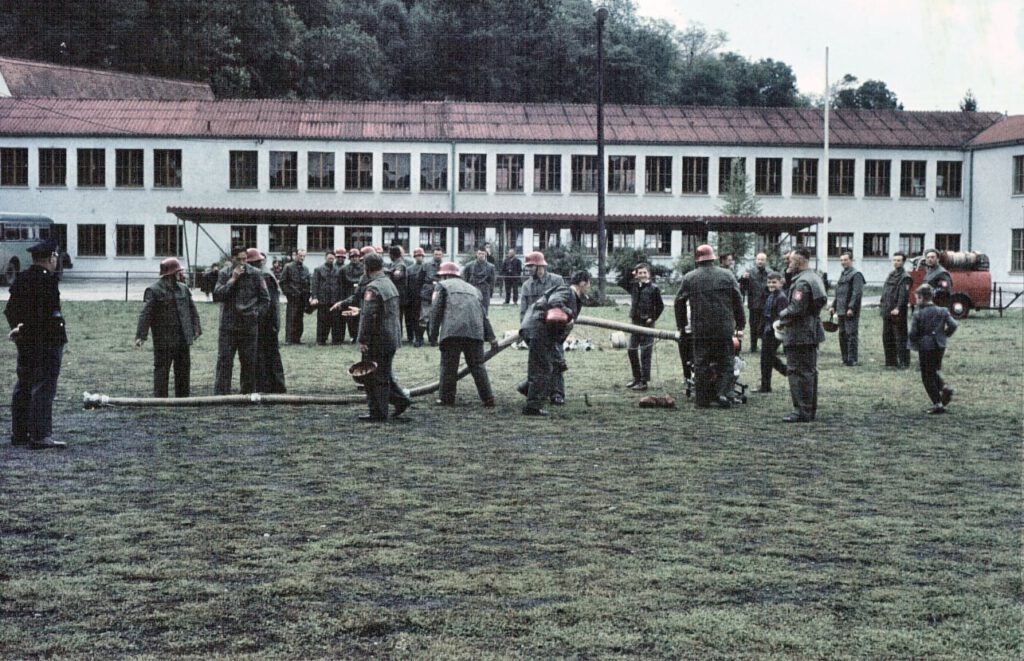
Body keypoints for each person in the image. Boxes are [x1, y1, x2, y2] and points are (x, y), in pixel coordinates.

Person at [5, 239, 67, 449]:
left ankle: (20, 432)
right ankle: (40, 435)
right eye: (55, 257)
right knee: (44, 386)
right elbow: (42, 315)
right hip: (47, 341)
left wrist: (18, 329)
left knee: (24, 385)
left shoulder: (22, 278)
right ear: (51, 258)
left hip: (26, 342)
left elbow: (10, 311)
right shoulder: (47, 281)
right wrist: (25, 329)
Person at [674, 244, 745, 409]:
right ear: (713, 258)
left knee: (701, 363)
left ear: (697, 260)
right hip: (724, 328)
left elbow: (679, 302)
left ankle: (702, 399)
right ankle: (724, 394)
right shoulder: (727, 275)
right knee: (726, 362)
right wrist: (740, 323)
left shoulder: (690, 278)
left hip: (701, 329)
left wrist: (682, 325)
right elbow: (737, 300)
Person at [428, 261, 497, 407]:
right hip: (475, 332)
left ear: (445, 275)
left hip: (452, 332)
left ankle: (446, 399)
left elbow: (436, 311)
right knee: (478, 366)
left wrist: (432, 335)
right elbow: (483, 315)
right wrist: (491, 337)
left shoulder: (442, 286)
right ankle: (488, 398)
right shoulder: (474, 289)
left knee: (449, 366)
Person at [134, 257, 202, 398]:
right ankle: (160, 399)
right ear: (171, 274)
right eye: (179, 271)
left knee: (183, 370)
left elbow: (192, 310)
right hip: (164, 340)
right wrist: (141, 336)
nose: (181, 274)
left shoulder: (183, 289)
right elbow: (146, 314)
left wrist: (196, 328)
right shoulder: (154, 290)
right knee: (161, 370)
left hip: (182, 338)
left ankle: (183, 400)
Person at [356, 253, 412, 422]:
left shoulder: (373, 288)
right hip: (391, 337)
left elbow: (368, 315)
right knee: (384, 373)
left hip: (378, 339)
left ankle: (378, 413)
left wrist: (363, 339)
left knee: (374, 376)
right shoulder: (389, 283)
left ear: (367, 268)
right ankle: (401, 401)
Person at [518, 251, 571, 416]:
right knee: (540, 364)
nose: (528, 270)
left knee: (556, 360)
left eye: (531, 266)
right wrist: (524, 330)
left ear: (540, 265)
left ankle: (557, 393)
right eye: (527, 267)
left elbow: (561, 303)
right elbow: (524, 310)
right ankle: (533, 392)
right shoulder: (527, 285)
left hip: (553, 326)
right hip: (535, 328)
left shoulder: (556, 280)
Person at [778, 247, 827, 422]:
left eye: (791, 260)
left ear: (799, 261)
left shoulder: (802, 282)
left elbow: (796, 308)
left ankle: (801, 411)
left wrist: (781, 317)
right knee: (808, 371)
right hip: (810, 330)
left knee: (797, 372)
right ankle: (808, 409)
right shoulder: (813, 277)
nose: (788, 262)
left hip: (799, 333)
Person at [213, 247, 270, 394]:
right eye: (239, 259)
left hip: (249, 326)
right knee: (224, 361)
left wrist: (256, 314)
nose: (242, 263)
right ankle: (221, 393)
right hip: (228, 326)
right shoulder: (224, 273)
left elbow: (265, 299)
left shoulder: (256, 274)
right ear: (232, 259)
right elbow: (218, 295)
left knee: (249, 362)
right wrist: (232, 280)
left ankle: (247, 393)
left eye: (245, 259)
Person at [908, 284, 957, 414]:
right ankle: (944, 387)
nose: (916, 301)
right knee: (932, 370)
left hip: (925, 346)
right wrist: (945, 335)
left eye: (917, 298)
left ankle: (937, 403)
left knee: (926, 376)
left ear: (921, 298)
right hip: (940, 345)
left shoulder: (918, 313)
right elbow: (953, 324)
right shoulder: (943, 311)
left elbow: (913, 332)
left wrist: (913, 341)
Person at [625, 263, 664, 391]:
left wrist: (652, 317)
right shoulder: (634, 286)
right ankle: (636, 378)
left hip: (647, 324)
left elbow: (660, 306)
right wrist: (631, 273)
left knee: (645, 352)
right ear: (636, 274)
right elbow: (621, 281)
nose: (642, 275)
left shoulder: (654, 288)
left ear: (649, 274)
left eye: (644, 273)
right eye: (639, 273)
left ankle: (644, 381)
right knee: (631, 349)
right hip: (635, 323)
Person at [253, 251, 286, 393]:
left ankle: (270, 385)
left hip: (267, 322)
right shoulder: (265, 273)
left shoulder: (264, 275)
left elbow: (269, 302)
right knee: (269, 354)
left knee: (266, 354)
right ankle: (275, 385)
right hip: (269, 320)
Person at [829, 251, 866, 366]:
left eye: (845, 260)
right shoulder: (843, 274)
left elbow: (857, 293)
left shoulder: (856, 275)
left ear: (851, 260)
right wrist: (833, 306)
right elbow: (838, 293)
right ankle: (845, 358)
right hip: (840, 309)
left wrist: (851, 308)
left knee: (851, 334)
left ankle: (852, 359)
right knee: (842, 334)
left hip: (850, 311)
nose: (843, 262)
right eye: (841, 260)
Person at [754, 271, 788, 393]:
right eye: (769, 282)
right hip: (767, 330)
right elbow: (765, 313)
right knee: (768, 357)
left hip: (774, 331)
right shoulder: (770, 295)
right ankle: (786, 372)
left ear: (781, 283)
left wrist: (775, 330)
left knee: (766, 358)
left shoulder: (781, 297)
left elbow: (781, 317)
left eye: (774, 282)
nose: (771, 285)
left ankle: (767, 385)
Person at [880, 251, 912, 369]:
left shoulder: (905, 277)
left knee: (900, 338)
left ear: (903, 262)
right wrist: (882, 305)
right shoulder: (891, 274)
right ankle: (890, 361)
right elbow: (885, 291)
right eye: (894, 260)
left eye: (898, 260)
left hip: (898, 313)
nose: (896, 262)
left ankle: (904, 362)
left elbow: (903, 295)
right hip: (887, 311)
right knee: (887, 336)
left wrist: (898, 308)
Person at [279, 248, 310, 344]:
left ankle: (297, 339)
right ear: (295, 255)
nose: (302, 258)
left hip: (302, 297)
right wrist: (288, 293)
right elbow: (283, 282)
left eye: (303, 256)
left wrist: (307, 295)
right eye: (300, 256)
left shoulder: (305, 269)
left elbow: (308, 283)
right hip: (292, 297)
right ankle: (289, 339)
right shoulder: (288, 267)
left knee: (299, 319)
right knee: (291, 318)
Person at [739, 252, 769, 353]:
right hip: (754, 304)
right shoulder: (749, 273)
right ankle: (753, 347)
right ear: (755, 260)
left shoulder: (770, 273)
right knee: (753, 326)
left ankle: (766, 346)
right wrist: (743, 279)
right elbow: (743, 288)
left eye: (762, 260)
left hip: (766, 305)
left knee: (766, 326)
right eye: (758, 259)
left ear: (766, 261)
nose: (760, 261)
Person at [310, 251, 342, 345]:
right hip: (323, 300)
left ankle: (336, 340)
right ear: (325, 258)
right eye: (329, 258)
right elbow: (315, 284)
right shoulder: (318, 269)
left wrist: (340, 300)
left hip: (334, 300)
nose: (331, 260)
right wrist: (314, 297)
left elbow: (340, 285)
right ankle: (321, 340)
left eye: (332, 258)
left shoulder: (338, 270)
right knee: (322, 321)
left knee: (336, 321)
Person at [387, 245, 416, 343]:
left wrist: (388, 272)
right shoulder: (394, 264)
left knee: (399, 318)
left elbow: (397, 275)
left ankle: (402, 338)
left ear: (392, 255)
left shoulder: (400, 265)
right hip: (398, 296)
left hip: (400, 296)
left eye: (389, 254)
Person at [417, 247, 444, 345]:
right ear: (433, 254)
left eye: (439, 255)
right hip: (427, 294)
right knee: (424, 317)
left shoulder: (444, 266)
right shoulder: (426, 265)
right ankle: (419, 339)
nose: (438, 256)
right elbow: (419, 280)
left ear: (442, 255)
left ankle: (433, 339)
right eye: (436, 254)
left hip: (440, 295)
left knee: (436, 318)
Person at [340, 248, 363, 343]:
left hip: (361, 295)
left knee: (360, 316)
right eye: (352, 257)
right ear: (349, 258)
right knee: (350, 317)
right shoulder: (344, 269)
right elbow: (342, 282)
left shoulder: (364, 268)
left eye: (356, 257)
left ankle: (360, 336)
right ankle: (353, 335)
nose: (354, 259)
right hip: (349, 294)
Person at [463, 247, 497, 312]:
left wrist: (490, 292)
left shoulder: (491, 267)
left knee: (484, 311)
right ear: (476, 254)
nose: (481, 255)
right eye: (479, 254)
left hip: (485, 292)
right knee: (472, 311)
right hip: (472, 291)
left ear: (486, 254)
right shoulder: (469, 266)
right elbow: (465, 279)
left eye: (483, 254)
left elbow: (492, 281)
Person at [406, 247, 426, 346]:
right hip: (412, 297)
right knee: (413, 318)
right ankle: (414, 337)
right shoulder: (409, 269)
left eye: (421, 256)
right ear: (414, 257)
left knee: (422, 319)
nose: (419, 258)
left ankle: (420, 337)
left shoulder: (426, 267)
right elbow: (407, 283)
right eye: (417, 256)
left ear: (423, 257)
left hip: (424, 297)